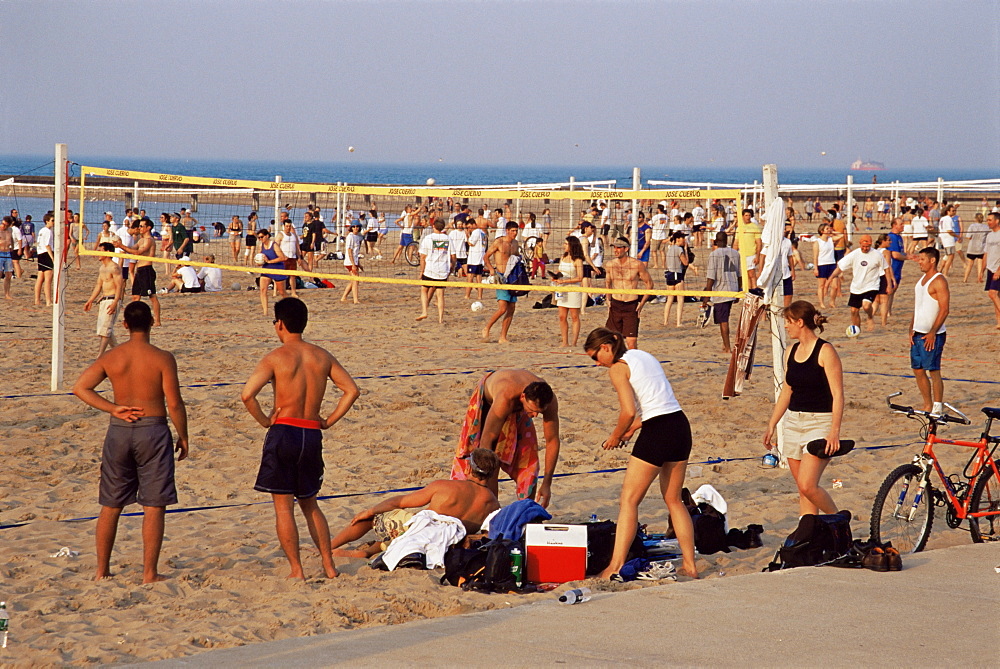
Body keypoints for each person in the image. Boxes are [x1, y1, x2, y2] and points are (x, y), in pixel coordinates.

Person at [241, 297, 360, 579]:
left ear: (279, 324)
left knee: (283, 508)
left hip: (284, 430)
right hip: (311, 432)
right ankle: (329, 566)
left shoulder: (276, 357)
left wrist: (265, 421)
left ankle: (297, 569)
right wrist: (328, 421)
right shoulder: (321, 355)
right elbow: (352, 390)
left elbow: (247, 395)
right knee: (310, 503)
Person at [72, 301, 189, 583]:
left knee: (111, 504)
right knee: (154, 505)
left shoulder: (113, 357)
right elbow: (174, 402)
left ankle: (102, 571)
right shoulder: (162, 357)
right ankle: (149, 572)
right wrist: (184, 435)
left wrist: (113, 408)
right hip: (153, 429)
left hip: (120, 429)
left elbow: (80, 388)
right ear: (151, 323)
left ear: (124, 325)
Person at [583, 327, 698, 580]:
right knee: (674, 500)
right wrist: (630, 431)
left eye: (594, 357)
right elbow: (656, 405)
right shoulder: (643, 355)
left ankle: (614, 566)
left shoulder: (618, 367)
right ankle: (690, 565)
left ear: (605, 347)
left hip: (657, 431)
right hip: (679, 425)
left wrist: (615, 436)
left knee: (629, 501)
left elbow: (627, 412)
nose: (596, 363)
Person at [330, 448, 501, 559]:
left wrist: (369, 511)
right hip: (446, 544)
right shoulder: (493, 504)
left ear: (469, 469)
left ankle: (328, 547)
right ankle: (367, 552)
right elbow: (487, 534)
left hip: (418, 531)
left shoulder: (446, 486)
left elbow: (400, 502)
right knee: (409, 534)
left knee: (375, 518)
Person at [762, 300, 843, 518]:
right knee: (803, 491)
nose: (786, 326)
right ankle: (812, 537)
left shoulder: (825, 351)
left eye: (788, 322)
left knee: (808, 485)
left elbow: (838, 395)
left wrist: (834, 431)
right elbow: (787, 391)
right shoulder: (791, 351)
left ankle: (839, 521)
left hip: (820, 423)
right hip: (793, 422)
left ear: (800, 322)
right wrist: (772, 424)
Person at [450, 368, 560, 507]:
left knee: (529, 459)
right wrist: (484, 484)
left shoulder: (549, 401)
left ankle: (527, 508)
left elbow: (552, 441)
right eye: (532, 411)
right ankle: (490, 507)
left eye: (539, 412)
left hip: (518, 405)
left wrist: (547, 484)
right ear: (522, 397)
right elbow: (487, 440)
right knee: (491, 458)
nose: (535, 416)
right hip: (489, 401)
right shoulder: (505, 397)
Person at [909, 247, 950, 414]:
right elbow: (918, 306)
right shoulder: (921, 280)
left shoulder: (939, 280)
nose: (919, 262)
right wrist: (911, 327)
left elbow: (944, 309)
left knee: (934, 371)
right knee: (918, 370)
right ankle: (927, 404)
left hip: (934, 334)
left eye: (922, 259)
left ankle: (937, 406)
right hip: (917, 333)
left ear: (932, 260)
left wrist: (933, 331)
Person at [828, 234, 891, 333]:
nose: (865, 248)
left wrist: (889, 284)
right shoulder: (854, 254)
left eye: (867, 246)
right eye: (863, 246)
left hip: (872, 285)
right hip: (856, 287)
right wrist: (830, 278)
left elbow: (886, 269)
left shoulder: (877, 254)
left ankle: (870, 316)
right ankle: (856, 331)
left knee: (866, 305)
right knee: (854, 311)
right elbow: (840, 268)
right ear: (860, 244)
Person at [604, 236, 654, 349]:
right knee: (612, 341)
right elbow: (608, 283)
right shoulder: (610, 264)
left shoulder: (636, 265)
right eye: (614, 247)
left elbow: (649, 284)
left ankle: (633, 365)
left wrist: (641, 304)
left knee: (631, 343)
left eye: (619, 247)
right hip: (615, 304)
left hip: (631, 305)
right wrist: (608, 299)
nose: (615, 250)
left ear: (626, 249)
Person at [115, 217, 162, 326]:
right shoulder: (141, 240)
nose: (139, 228)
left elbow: (138, 252)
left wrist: (121, 246)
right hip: (139, 270)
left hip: (147, 270)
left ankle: (158, 321)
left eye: (141, 226)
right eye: (139, 226)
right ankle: (133, 319)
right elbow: (132, 249)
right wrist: (120, 245)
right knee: (135, 296)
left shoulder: (149, 240)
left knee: (152, 296)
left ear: (148, 228)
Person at [700, 231, 741, 354]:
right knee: (724, 318)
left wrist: (706, 296)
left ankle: (727, 347)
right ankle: (725, 345)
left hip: (721, 291)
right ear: (727, 240)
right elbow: (739, 275)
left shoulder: (714, 255)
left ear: (716, 241)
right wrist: (739, 289)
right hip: (733, 289)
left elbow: (711, 277)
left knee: (723, 320)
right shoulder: (735, 253)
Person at [482, 222, 521, 343]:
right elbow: (486, 256)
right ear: (507, 230)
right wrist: (491, 270)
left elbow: (517, 258)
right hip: (501, 276)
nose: (515, 233)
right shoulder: (499, 242)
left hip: (512, 277)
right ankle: (487, 328)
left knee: (512, 308)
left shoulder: (515, 243)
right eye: (513, 231)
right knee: (503, 308)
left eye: (516, 231)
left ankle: (503, 337)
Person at [84, 242, 125, 356]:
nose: (98, 253)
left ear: (107, 252)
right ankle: (119, 353)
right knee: (104, 329)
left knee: (105, 330)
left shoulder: (114, 267)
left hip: (112, 299)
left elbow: (119, 287)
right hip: (104, 299)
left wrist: (116, 303)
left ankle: (100, 355)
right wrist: (90, 300)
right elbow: (98, 285)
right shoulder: (102, 267)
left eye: (100, 251)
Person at [414, 218, 453, 322]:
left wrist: (421, 271)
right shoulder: (448, 238)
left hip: (430, 269)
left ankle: (424, 311)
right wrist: (451, 269)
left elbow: (422, 257)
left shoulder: (428, 238)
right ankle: (440, 319)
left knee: (424, 290)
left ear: (433, 226)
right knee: (440, 295)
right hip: (442, 270)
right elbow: (453, 256)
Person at [553, 235, 585, 347]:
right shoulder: (563, 257)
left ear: (572, 245)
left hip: (573, 289)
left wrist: (565, 281)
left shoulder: (578, 260)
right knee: (562, 316)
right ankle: (564, 342)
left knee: (574, 316)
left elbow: (580, 277)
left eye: (566, 244)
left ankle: (574, 342)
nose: (564, 246)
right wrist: (555, 276)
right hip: (562, 289)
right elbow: (559, 270)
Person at [255, 229, 288, 316]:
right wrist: (259, 262)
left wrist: (270, 261)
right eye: (258, 238)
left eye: (261, 237)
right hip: (266, 269)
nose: (260, 239)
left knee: (282, 292)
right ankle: (265, 312)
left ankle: (292, 305)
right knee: (262, 290)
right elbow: (259, 259)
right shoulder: (261, 246)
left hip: (278, 269)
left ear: (267, 236)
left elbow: (283, 258)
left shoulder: (274, 245)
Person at [662, 231, 691, 327]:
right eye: (683, 238)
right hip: (677, 274)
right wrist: (686, 250)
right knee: (680, 299)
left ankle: (665, 321)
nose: (685, 240)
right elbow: (686, 262)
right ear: (678, 239)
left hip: (669, 274)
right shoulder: (679, 249)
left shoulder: (669, 249)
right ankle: (678, 322)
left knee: (669, 299)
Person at [276, 214, 301, 298]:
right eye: (286, 226)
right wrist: (281, 256)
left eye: (289, 226)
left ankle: (293, 292)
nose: (288, 228)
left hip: (292, 258)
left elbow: (297, 247)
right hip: (283, 258)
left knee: (293, 276)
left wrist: (299, 258)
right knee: (280, 276)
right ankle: (277, 291)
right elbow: (276, 247)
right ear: (284, 226)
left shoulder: (294, 235)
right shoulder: (280, 235)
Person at [33, 213, 55, 307]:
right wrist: (53, 258)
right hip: (46, 254)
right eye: (52, 220)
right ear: (47, 221)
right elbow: (47, 245)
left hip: (40, 254)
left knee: (40, 278)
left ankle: (37, 300)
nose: (54, 222)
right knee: (48, 280)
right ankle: (48, 301)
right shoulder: (48, 231)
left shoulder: (42, 230)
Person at [983, 212, 1000, 329]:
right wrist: (981, 270)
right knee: (997, 296)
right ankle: (999, 322)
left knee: (992, 294)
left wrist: (999, 270)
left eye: (989, 220)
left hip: (998, 269)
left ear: (997, 221)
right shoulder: (989, 236)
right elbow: (986, 253)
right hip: (990, 268)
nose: (987, 222)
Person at [962, 212, 990, 284]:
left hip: (972, 247)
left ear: (975, 219)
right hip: (981, 248)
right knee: (980, 264)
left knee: (970, 264)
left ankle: (965, 279)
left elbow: (968, 237)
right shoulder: (986, 227)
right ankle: (979, 278)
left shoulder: (972, 226)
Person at [0, 216, 15, 299]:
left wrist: (12, 246)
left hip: (8, 253)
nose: (3, 226)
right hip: (0, 252)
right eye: (2, 224)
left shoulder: (10, 230)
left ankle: (7, 294)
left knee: (8, 274)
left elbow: (11, 238)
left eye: (5, 225)